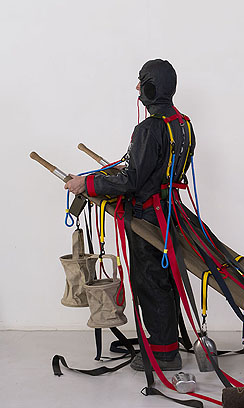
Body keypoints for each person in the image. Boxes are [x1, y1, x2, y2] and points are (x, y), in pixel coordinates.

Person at [65, 59, 195, 372]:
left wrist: (88, 183)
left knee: (150, 282)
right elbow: (154, 170)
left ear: (151, 87)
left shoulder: (149, 128)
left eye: (141, 81)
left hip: (148, 218)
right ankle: (165, 341)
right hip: (170, 213)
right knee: (164, 280)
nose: (137, 87)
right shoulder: (183, 124)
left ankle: (164, 353)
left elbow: (133, 181)